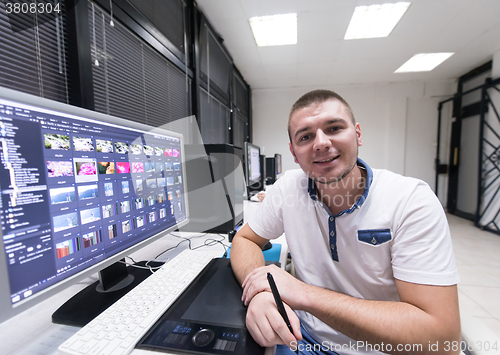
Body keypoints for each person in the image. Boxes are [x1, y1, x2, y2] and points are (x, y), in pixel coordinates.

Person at [230, 90, 461, 355]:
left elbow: (442, 340)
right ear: (294, 152)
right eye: (305, 136)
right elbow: (245, 239)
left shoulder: (410, 200)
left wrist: (303, 294)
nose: (321, 143)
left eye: (334, 128)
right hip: (303, 340)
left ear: (358, 134)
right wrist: (260, 292)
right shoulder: (288, 189)